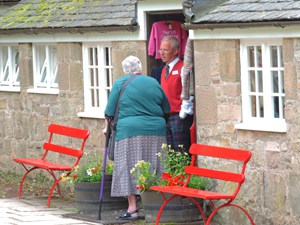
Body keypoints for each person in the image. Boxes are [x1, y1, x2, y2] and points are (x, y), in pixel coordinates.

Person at [103, 55, 170, 220]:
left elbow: (109, 112)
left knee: (127, 166)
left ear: (125, 70)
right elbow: (166, 107)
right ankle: (157, 207)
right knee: (156, 165)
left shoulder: (120, 83)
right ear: (140, 68)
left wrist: (106, 129)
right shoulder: (153, 82)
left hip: (129, 131)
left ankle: (132, 209)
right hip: (156, 131)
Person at [160, 36, 194, 152]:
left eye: (165, 50)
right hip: (167, 117)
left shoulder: (182, 68)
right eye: (160, 50)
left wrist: (183, 113)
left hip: (179, 117)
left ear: (175, 51)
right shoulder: (164, 70)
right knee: (170, 152)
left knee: (181, 152)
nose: (162, 53)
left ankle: (184, 171)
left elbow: (189, 90)